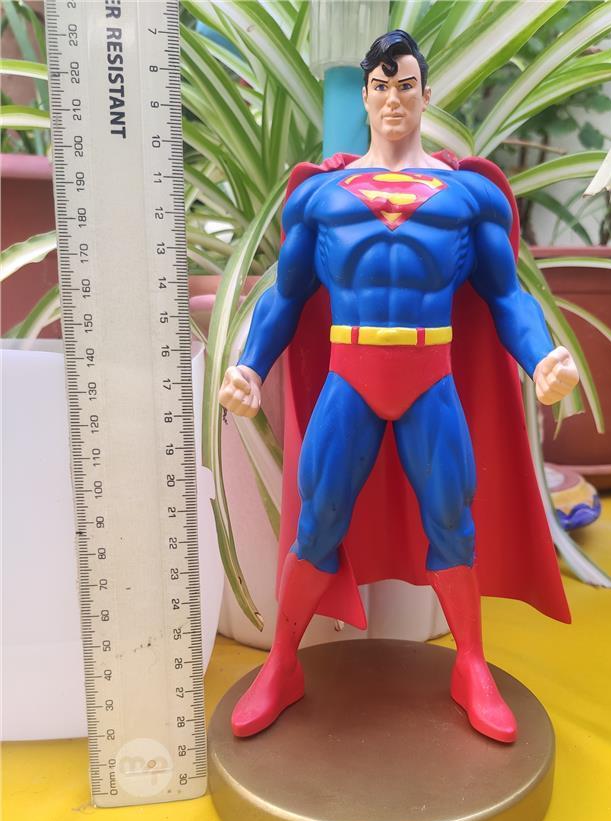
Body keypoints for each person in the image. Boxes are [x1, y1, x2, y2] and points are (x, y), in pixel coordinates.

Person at [218, 30, 579, 744]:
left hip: (429, 376)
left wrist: (541, 357)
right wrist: (251, 366)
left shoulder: (468, 197)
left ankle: (470, 665)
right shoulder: (320, 198)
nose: (393, 99)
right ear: (364, 96)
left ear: (425, 94)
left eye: (405, 85)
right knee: (318, 520)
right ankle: (282, 664)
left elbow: (506, 296)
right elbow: (286, 296)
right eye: (381, 87)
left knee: (451, 518)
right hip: (349, 376)